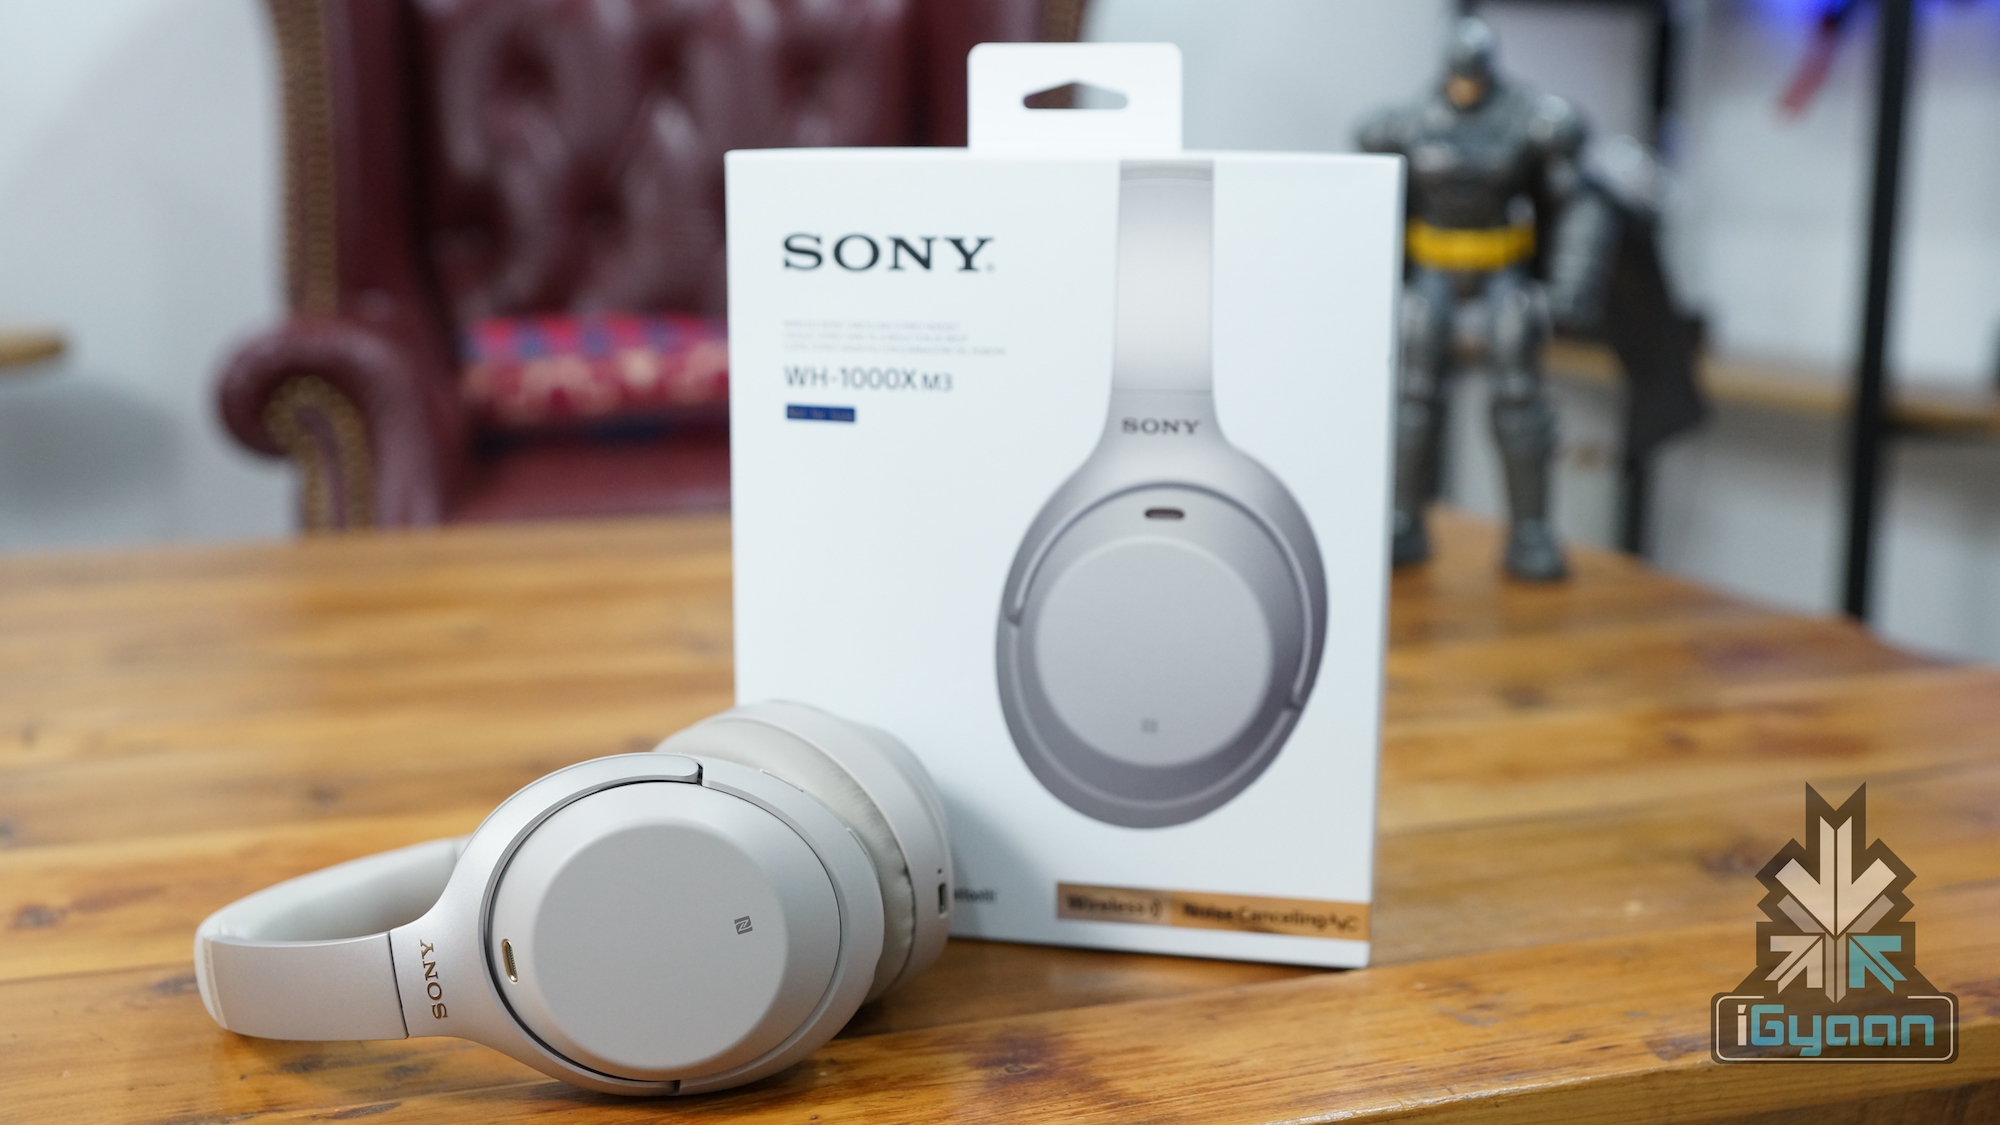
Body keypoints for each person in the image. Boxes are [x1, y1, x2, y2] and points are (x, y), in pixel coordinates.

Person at [1357, 17, 1616, 581]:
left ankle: (1530, 532)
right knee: (1412, 395)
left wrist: (1571, 282)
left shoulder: (1530, 119)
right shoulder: (1405, 123)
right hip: (1432, 265)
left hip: (1503, 265)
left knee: (1519, 394)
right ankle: (1404, 519)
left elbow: (1581, 204)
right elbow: (1367, 201)